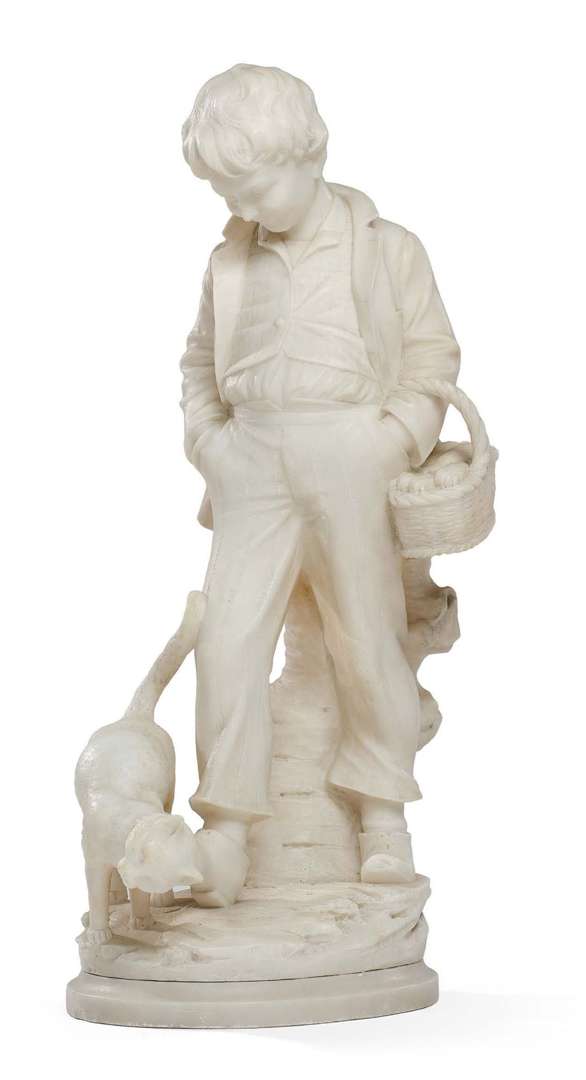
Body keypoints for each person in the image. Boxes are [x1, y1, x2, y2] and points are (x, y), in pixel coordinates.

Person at [180, 64, 460, 906]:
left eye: (253, 186)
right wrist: (211, 444)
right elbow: (198, 362)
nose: (240, 205)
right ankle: (227, 830)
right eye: (226, 191)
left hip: (351, 451)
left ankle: (382, 813)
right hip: (251, 457)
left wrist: (392, 440)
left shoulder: (386, 247)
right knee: (226, 638)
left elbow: (432, 357)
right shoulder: (229, 262)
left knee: (367, 636)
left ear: (308, 153)